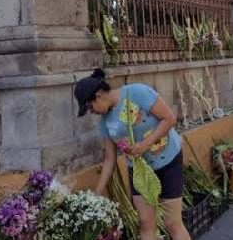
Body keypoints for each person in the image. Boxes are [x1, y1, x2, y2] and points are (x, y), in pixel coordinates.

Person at [74, 69, 191, 240]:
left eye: (90, 107)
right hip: (138, 172)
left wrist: (145, 145)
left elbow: (170, 119)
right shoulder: (105, 122)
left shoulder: (137, 92)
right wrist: (96, 193)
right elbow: (109, 159)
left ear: (98, 95)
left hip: (168, 161)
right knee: (145, 223)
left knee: (172, 223)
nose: (92, 112)